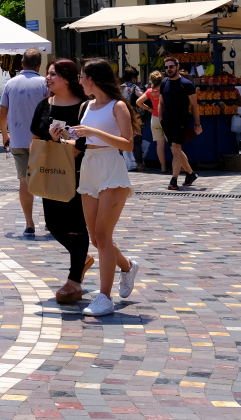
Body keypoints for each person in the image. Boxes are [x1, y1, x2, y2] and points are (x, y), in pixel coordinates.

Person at [68, 59, 140, 316]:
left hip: (111, 167)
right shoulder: (86, 106)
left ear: (93, 79)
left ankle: (104, 298)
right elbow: (80, 144)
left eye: (81, 76)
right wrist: (63, 138)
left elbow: (128, 144)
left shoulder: (118, 106)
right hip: (89, 166)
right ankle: (128, 266)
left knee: (103, 234)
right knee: (97, 239)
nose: (79, 81)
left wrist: (93, 132)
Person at [30, 58, 93, 304]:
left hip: (79, 173)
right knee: (53, 225)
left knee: (77, 226)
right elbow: (36, 139)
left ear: (67, 78)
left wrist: (62, 141)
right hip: (51, 172)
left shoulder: (84, 107)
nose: (47, 78)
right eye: (47, 73)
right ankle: (83, 257)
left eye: (53, 74)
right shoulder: (44, 106)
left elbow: (84, 145)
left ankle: (74, 280)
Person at [0, 48, 49, 237]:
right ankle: (50, 221)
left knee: (24, 181)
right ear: (39, 65)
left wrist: (5, 135)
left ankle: (29, 223)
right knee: (46, 179)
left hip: (18, 140)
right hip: (42, 141)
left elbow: (2, 115)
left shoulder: (10, 84)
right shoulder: (44, 83)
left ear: (22, 62)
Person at [158, 56, 200, 190]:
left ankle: (174, 180)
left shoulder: (187, 84)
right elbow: (161, 102)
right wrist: (160, 118)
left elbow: (194, 105)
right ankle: (190, 174)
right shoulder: (164, 82)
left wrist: (197, 124)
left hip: (181, 121)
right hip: (167, 122)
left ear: (177, 67)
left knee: (176, 149)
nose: (168, 69)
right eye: (166, 67)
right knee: (176, 150)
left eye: (171, 67)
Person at [136, 71, 165, 173]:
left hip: (155, 118)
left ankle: (163, 167)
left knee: (159, 145)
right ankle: (180, 166)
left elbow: (138, 102)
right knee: (173, 144)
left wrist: (149, 109)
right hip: (165, 117)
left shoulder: (149, 91)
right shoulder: (164, 89)